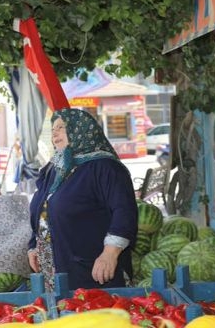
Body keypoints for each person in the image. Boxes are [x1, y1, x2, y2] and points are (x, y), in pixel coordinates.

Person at [28, 108, 138, 291]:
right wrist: (33, 245)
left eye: (61, 127)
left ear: (81, 129)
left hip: (94, 269)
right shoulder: (54, 168)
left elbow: (124, 211)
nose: (54, 132)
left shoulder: (104, 167)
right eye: (53, 128)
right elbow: (42, 208)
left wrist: (110, 253)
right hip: (56, 268)